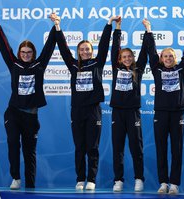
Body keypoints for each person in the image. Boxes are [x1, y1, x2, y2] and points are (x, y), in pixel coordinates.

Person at [0, 7, 57, 189]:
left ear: (33, 54)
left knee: (30, 152)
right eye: (23, 52)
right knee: (13, 143)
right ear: (19, 54)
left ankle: (31, 186)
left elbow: (50, 46)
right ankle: (16, 178)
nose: (26, 55)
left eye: (29, 52)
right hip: (13, 113)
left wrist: (56, 26)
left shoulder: (39, 65)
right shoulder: (14, 64)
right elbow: (3, 45)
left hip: (31, 116)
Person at [50, 14, 120, 191]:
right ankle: (80, 178)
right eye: (82, 49)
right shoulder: (73, 65)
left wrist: (108, 24)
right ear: (78, 52)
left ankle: (91, 179)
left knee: (92, 147)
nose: (85, 51)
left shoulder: (97, 63)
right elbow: (63, 48)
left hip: (93, 110)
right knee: (79, 146)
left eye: (88, 49)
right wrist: (57, 26)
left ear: (92, 50)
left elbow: (104, 44)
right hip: (77, 110)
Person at [144, 18, 184, 194]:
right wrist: (149, 30)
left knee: (176, 149)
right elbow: (151, 51)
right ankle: (163, 183)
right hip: (160, 113)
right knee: (161, 148)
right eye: (165, 56)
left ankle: (174, 184)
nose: (168, 58)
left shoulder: (181, 68)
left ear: (175, 59)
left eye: (171, 56)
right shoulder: (156, 69)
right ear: (161, 59)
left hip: (177, 114)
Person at [109, 17, 150, 192]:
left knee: (136, 147)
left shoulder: (138, 68)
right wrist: (118, 27)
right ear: (119, 59)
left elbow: (144, 51)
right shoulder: (116, 68)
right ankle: (118, 180)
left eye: (129, 56)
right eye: (123, 57)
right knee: (117, 147)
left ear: (132, 58)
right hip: (117, 112)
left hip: (133, 112)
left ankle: (139, 178)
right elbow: (114, 48)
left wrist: (148, 30)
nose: (126, 59)